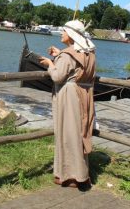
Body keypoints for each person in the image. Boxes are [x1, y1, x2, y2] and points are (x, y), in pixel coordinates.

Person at [40, 19, 96, 189]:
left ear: (71, 35)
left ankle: (70, 177)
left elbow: (58, 76)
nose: (61, 34)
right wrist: (59, 55)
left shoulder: (68, 54)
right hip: (84, 94)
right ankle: (80, 174)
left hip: (70, 97)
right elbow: (75, 69)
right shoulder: (89, 53)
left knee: (68, 134)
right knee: (79, 133)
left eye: (64, 31)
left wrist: (50, 63)